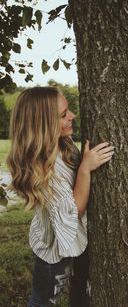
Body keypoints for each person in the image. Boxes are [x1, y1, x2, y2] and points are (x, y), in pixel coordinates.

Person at [7, 86, 114, 307]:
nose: (73, 116)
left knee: (82, 292)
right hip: (53, 250)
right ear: (43, 125)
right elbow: (75, 211)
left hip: (80, 240)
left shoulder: (63, 147)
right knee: (43, 301)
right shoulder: (42, 169)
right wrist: (85, 168)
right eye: (64, 115)